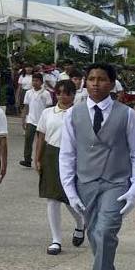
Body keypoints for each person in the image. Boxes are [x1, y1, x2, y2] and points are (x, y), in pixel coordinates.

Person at [59, 63, 135, 270]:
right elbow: (67, 154)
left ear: (112, 84)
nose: (95, 83)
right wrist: (70, 191)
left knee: (105, 232)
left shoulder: (127, 115)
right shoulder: (73, 114)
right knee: (95, 235)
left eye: (102, 79)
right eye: (91, 79)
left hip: (116, 183)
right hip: (86, 183)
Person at [35, 80, 84, 255]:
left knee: (69, 197)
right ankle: (56, 240)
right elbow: (41, 136)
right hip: (51, 155)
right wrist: (38, 158)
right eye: (59, 92)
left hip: (72, 157)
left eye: (67, 93)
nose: (63, 96)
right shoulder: (48, 112)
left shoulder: (80, 113)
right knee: (52, 198)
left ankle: (80, 222)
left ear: (73, 95)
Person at [20, 73, 52, 168]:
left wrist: (48, 120)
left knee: (42, 142)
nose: (34, 82)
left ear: (41, 82)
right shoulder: (28, 93)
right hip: (31, 120)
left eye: (37, 81)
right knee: (28, 138)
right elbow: (26, 106)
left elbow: (48, 107)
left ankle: (41, 160)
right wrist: (23, 119)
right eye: (33, 80)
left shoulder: (46, 93)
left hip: (42, 121)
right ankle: (27, 159)